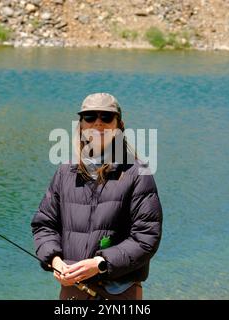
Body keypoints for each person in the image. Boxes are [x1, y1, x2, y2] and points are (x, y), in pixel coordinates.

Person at [31, 93, 162, 300]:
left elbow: (146, 238)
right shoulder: (65, 171)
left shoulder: (138, 173)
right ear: (81, 125)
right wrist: (55, 261)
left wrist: (100, 264)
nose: (98, 123)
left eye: (106, 117)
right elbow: (44, 225)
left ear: (119, 125)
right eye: (90, 117)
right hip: (73, 290)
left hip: (120, 292)